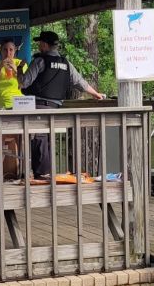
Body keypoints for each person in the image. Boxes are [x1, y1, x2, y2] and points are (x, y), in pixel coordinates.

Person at [20, 30, 105, 177]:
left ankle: (42, 176)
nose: (39, 46)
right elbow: (80, 83)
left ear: (45, 45)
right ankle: (48, 175)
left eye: (40, 43)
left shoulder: (40, 61)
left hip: (39, 107)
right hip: (56, 109)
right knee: (49, 142)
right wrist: (96, 94)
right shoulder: (66, 63)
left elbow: (24, 82)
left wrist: (19, 69)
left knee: (38, 141)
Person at [0, 39, 27, 109]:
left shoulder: (20, 63)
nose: (8, 53)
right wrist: (0, 66)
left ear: (15, 51)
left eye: (11, 50)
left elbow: (25, 82)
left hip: (19, 104)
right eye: (5, 50)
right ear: (0, 51)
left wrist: (15, 69)